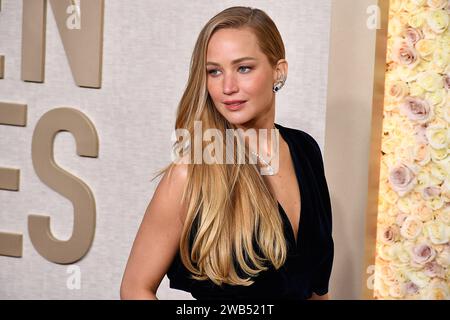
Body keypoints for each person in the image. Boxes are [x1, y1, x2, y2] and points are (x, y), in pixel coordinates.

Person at [120, 6, 333, 300]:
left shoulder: (305, 151)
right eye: (214, 72)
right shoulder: (190, 174)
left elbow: (315, 291)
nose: (228, 87)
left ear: (278, 71)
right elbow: (135, 289)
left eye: (243, 68)